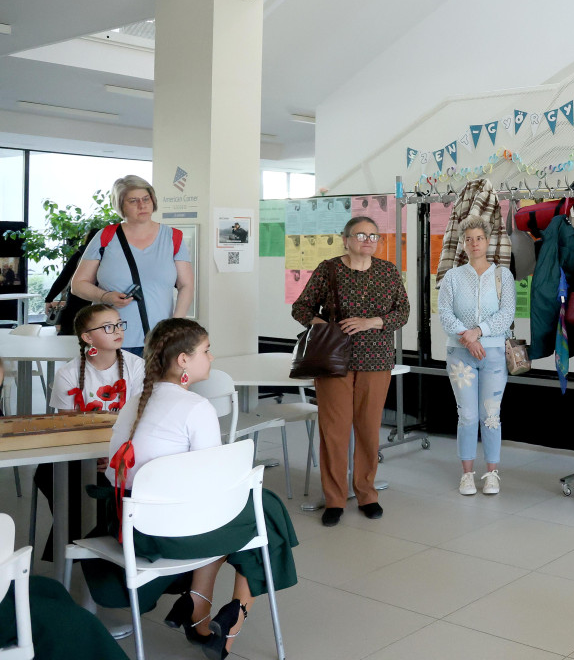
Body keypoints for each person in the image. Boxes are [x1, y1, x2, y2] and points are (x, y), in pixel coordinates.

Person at [97, 318, 298, 660]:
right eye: (206, 350)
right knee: (266, 511)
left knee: (252, 509)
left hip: (131, 529)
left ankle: (198, 606)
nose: (212, 357)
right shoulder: (195, 408)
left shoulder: (135, 402)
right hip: (171, 534)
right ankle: (233, 621)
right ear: (183, 361)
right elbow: (213, 483)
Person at [291, 216, 409, 527]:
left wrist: (371, 322)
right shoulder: (328, 269)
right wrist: (326, 328)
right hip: (333, 361)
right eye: (361, 235)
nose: (368, 241)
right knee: (334, 432)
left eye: (373, 236)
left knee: (369, 430)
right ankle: (334, 499)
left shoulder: (388, 272)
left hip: (376, 360)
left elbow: (403, 312)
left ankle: (367, 493)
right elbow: (301, 308)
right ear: (346, 239)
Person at [32, 304, 146, 559]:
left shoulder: (137, 366)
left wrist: (113, 454)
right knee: (49, 473)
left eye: (119, 324)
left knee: (111, 479)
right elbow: (68, 427)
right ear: (87, 337)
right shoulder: (68, 373)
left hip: (123, 449)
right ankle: (82, 543)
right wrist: (92, 456)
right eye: (108, 327)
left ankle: (82, 546)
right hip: (82, 450)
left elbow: (141, 419)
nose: (118, 330)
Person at [72, 175, 194, 356]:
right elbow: (78, 284)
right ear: (121, 205)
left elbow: (186, 285)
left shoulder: (173, 237)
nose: (142, 205)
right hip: (110, 339)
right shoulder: (105, 236)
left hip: (158, 340)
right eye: (133, 201)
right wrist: (105, 296)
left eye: (146, 199)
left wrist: (175, 325)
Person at [438, 216, 516, 497]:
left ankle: (492, 473)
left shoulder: (502, 276)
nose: (474, 244)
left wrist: (478, 332)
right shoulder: (452, 277)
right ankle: (467, 474)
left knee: (491, 415)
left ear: (488, 241)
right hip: (460, 354)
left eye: (479, 238)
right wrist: (468, 338)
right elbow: (445, 314)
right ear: (463, 243)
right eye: (468, 239)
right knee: (468, 415)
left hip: (494, 353)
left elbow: (507, 314)